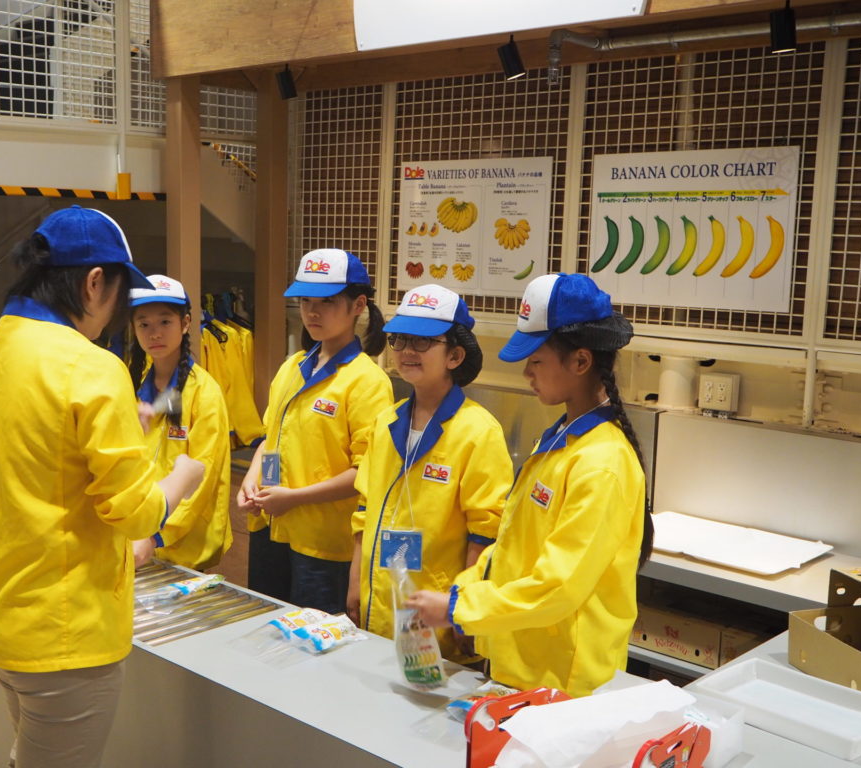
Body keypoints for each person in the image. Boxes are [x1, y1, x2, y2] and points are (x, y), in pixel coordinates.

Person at [0, 206, 205, 768]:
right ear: (93, 282)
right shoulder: (90, 367)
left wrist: (115, 430)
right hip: (66, 632)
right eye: (118, 298)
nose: (116, 317)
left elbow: (29, 460)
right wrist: (182, 478)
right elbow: (135, 515)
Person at [405, 273, 652, 698]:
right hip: (522, 661)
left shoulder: (601, 464)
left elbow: (558, 586)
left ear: (580, 361)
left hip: (564, 680)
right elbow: (512, 543)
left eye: (536, 362)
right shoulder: (557, 439)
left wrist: (458, 610)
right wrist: (462, 589)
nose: (526, 374)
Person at [347, 285, 512, 663]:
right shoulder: (387, 420)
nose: (406, 350)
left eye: (422, 342)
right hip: (380, 602)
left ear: (455, 355)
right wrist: (355, 581)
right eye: (400, 339)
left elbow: (485, 532)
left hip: (437, 610)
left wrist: (464, 610)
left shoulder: (478, 431)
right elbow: (365, 507)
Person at [237, 248, 393, 614]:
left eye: (326, 302)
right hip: (271, 527)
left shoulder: (368, 381)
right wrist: (253, 475)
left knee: (314, 646)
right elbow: (269, 437)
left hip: (324, 544)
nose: (312, 312)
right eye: (306, 300)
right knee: (265, 630)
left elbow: (365, 474)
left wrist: (294, 497)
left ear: (358, 305)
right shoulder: (292, 366)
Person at [126, 274, 233, 571]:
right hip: (136, 537)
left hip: (184, 545)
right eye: (143, 324)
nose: (154, 333)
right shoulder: (132, 387)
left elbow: (203, 474)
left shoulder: (204, 392)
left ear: (186, 323)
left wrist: (157, 534)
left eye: (165, 322)